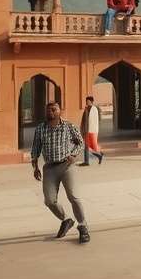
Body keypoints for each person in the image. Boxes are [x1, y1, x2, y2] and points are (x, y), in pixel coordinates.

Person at [31, 102, 91, 244]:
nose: (51, 112)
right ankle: (66, 219)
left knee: (74, 197)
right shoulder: (40, 129)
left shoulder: (68, 126)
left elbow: (80, 142)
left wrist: (74, 155)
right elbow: (35, 148)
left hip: (66, 166)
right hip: (49, 168)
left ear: (59, 111)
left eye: (54, 109)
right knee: (49, 200)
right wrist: (35, 167)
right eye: (48, 110)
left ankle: (83, 226)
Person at [79, 96, 104, 166]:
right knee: (86, 146)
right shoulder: (86, 109)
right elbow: (84, 119)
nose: (87, 102)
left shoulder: (94, 109)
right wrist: (83, 128)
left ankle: (99, 154)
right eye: (86, 101)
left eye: (88, 101)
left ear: (91, 101)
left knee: (93, 146)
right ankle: (86, 161)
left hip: (92, 130)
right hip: (87, 130)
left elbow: (94, 121)